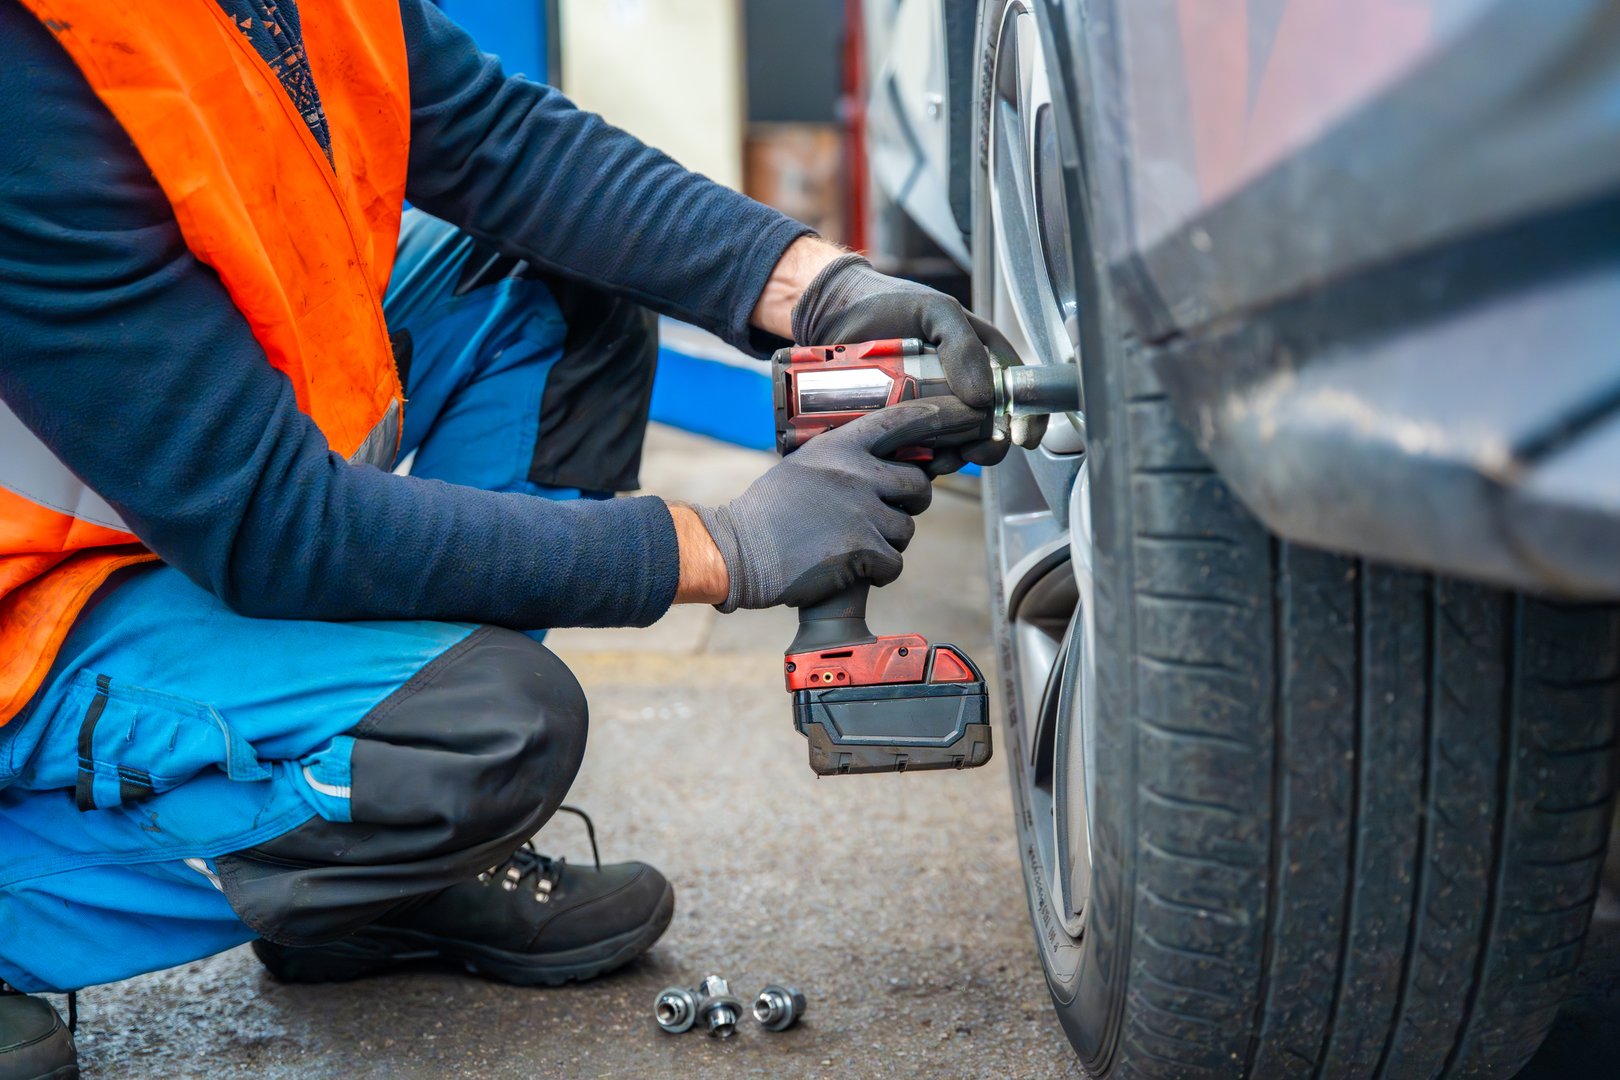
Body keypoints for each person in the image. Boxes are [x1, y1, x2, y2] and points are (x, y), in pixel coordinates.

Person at [0, 2, 1030, 1073]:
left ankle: (386, 884)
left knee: (555, 283)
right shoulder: (31, 65)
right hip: (32, 615)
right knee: (480, 740)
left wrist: (818, 287)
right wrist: (729, 545)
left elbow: (508, 144)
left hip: (159, 504)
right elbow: (272, 520)